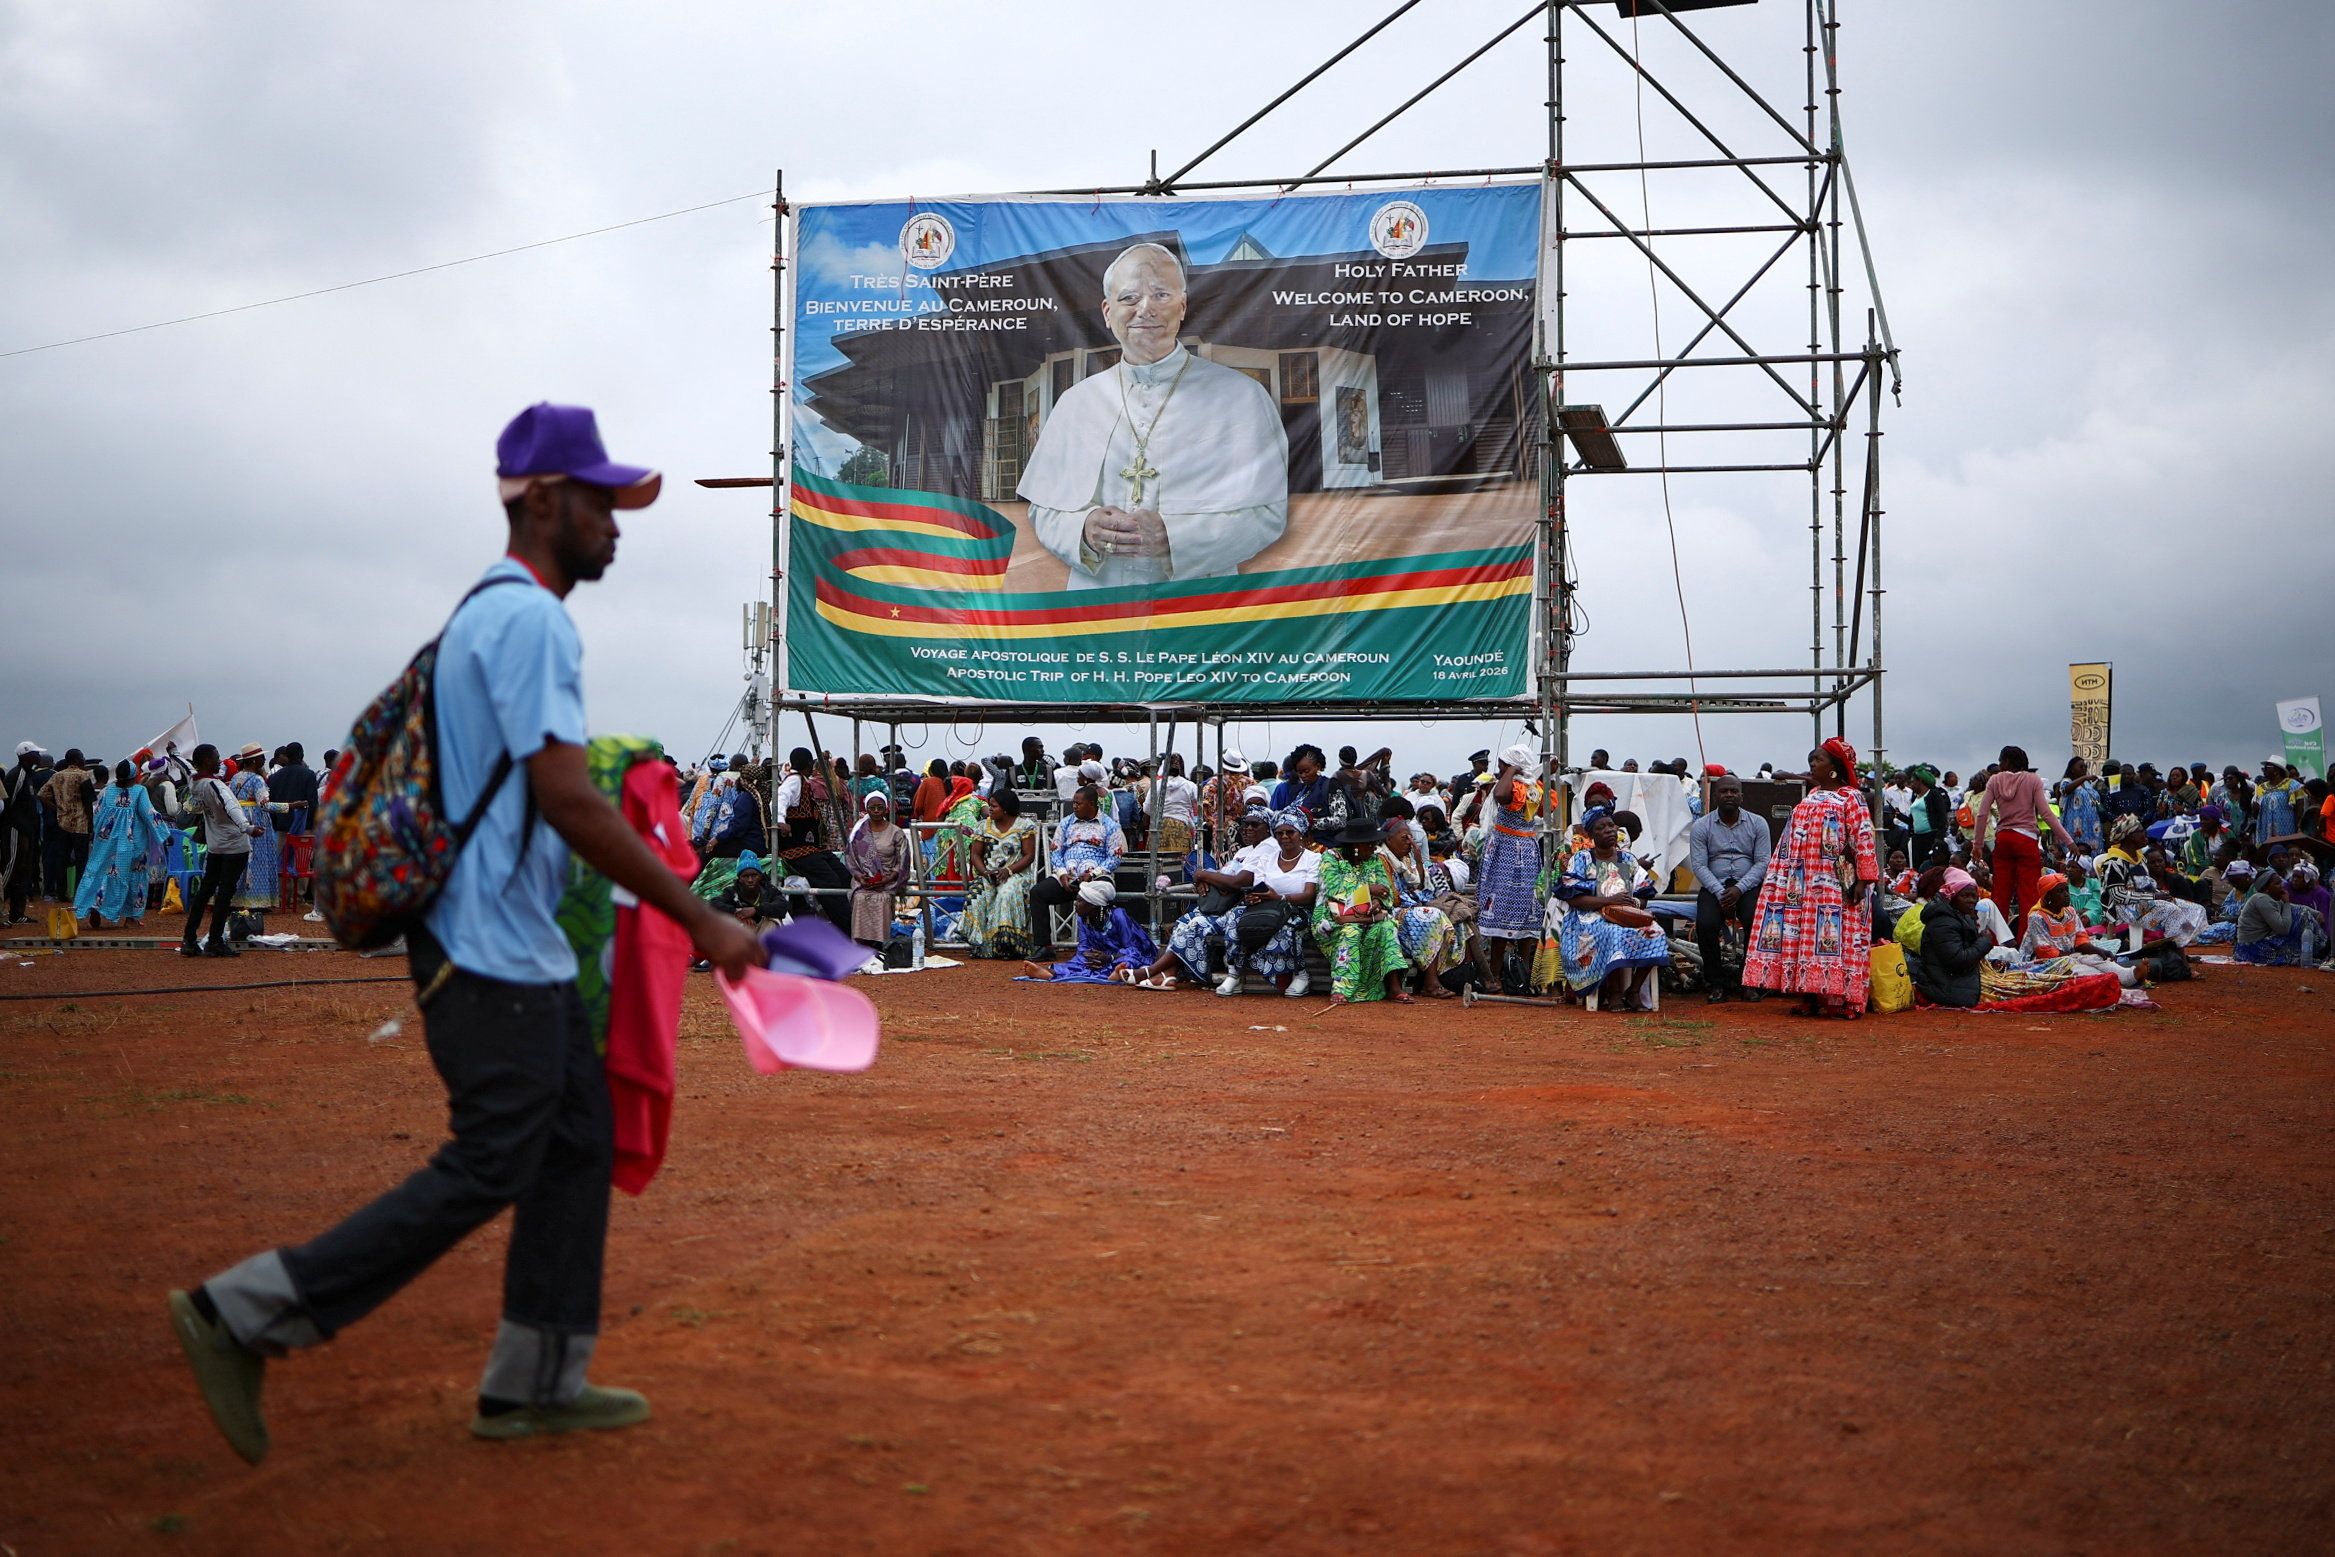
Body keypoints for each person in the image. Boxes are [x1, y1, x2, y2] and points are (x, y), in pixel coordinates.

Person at [170, 403, 763, 1464]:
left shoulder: (486, 613)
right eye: (601, 503)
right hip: (486, 948)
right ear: (542, 500)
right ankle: (246, 1312)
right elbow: (567, 798)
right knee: (497, 1156)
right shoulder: (531, 619)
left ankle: (533, 1381)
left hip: (502, 940)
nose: (617, 526)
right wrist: (701, 918)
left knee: (573, 1143)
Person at [1019, 242, 1289, 589]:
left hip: (1196, 601)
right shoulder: (1075, 403)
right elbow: (1044, 509)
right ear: (1107, 311)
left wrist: (1176, 537)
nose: (1145, 309)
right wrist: (1082, 530)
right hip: (1097, 603)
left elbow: (1267, 515)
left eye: (1161, 295)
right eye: (1129, 298)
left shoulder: (1242, 397)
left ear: (1182, 306)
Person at [1741, 738, 1878, 1018]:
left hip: (1835, 882)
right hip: (1802, 882)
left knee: (1840, 937)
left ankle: (1846, 1000)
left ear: (1834, 767)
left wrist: (1864, 880)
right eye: (1811, 760)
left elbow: (1863, 838)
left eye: (1818, 760)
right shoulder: (1811, 795)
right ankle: (1811, 995)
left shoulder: (1851, 797)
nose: (1812, 764)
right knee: (1805, 935)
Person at [1552, 806, 1673, 1011]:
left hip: (1624, 914)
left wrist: (1630, 905)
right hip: (1585, 919)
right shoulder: (1581, 859)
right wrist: (1609, 901)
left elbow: (1643, 895)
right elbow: (1575, 899)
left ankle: (1633, 990)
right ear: (1590, 835)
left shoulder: (1628, 860)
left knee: (1656, 932)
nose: (1609, 830)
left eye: (1611, 826)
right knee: (1612, 933)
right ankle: (1613, 992)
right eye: (1601, 827)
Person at [1970, 745, 2080, 939]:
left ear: (2007, 762)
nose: (1999, 764)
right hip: (2026, 840)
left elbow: (1982, 814)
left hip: (2003, 839)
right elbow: (2046, 813)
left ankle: (1995, 943)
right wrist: (2068, 841)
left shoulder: (1995, 780)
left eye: (2001, 760)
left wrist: (1977, 845)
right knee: (2028, 895)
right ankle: (2027, 942)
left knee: (2000, 895)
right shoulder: (2032, 780)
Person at [1687, 772, 1771, 1004]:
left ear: (1742, 796)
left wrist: (1740, 889)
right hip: (1714, 885)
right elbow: (1699, 865)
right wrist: (1720, 891)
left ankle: (1749, 982)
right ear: (1715, 796)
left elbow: (1763, 862)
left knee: (1756, 920)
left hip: (1748, 885)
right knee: (1706, 924)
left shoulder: (1758, 823)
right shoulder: (1701, 826)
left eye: (1734, 791)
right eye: (1724, 791)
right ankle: (1716, 983)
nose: (1729, 795)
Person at [1311, 818, 1412, 1005]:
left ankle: (1394, 987)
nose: (1375, 848)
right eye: (1371, 844)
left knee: (1387, 927)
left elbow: (1385, 890)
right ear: (1356, 845)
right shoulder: (1331, 858)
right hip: (1333, 918)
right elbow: (1334, 889)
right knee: (1351, 931)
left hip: (1368, 916)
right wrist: (1368, 889)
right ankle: (1341, 989)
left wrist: (1376, 900)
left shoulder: (1374, 860)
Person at [1473, 743, 1547, 992]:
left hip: (1518, 849)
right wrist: (1512, 771)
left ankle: (1521, 975)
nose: (1499, 768)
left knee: (1527, 908)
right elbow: (1500, 796)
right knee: (1500, 907)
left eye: (1502, 764)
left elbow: (1500, 795)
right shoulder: (1519, 785)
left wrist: (1513, 770)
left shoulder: (1526, 787)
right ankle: (1494, 974)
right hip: (1507, 849)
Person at [176, 743, 259, 957]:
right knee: (225, 894)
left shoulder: (195, 783)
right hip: (234, 845)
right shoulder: (216, 786)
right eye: (216, 757)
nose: (219, 761)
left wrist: (173, 753)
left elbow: (185, 766)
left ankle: (189, 938)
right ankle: (214, 940)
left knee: (205, 891)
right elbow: (230, 807)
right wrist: (247, 827)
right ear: (205, 761)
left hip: (215, 846)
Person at [1030, 785, 1126, 953]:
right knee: (1038, 892)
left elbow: (1115, 857)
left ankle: (1101, 946)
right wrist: (1061, 874)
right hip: (1068, 878)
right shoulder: (1066, 822)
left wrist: (1093, 874)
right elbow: (1056, 851)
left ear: (1091, 804)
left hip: (1095, 878)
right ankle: (1044, 946)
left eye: (1078, 803)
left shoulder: (1110, 826)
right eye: (1074, 803)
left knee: (1103, 893)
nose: (1074, 806)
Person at [72, 760, 167, 929]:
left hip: (106, 843)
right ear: (133, 776)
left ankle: (96, 906)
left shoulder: (107, 792)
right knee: (134, 878)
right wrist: (164, 835)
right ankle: (131, 918)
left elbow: (97, 815)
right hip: (133, 845)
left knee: (99, 872)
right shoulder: (139, 791)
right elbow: (149, 814)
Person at [1378, 811, 1463, 996]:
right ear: (1389, 840)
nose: (1410, 842)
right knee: (1430, 916)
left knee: (1460, 919)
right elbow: (1391, 897)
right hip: (1391, 910)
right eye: (1404, 838)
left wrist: (1417, 859)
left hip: (1408, 906)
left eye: (1410, 837)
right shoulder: (1381, 859)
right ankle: (1430, 983)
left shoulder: (1404, 859)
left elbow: (1417, 884)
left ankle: (1457, 978)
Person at [959, 788, 1044, 960]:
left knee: (1006, 894)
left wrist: (1008, 871)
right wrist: (985, 872)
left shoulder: (1024, 826)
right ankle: (984, 946)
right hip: (988, 875)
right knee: (976, 897)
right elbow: (976, 854)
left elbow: (1029, 855)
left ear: (1005, 808)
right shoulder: (984, 826)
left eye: (994, 806)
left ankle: (1008, 945)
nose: (990, 809)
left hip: (1016, 875)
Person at [1023, 879, 1156, 983]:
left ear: (1093, 905)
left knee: (1130, 961)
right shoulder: (1083, 919)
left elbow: (1135, 949)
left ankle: (1117, 972)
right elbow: (1084, 947)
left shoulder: (1118, 916)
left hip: (1131, 954)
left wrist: (1109, 958)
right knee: (1078, 963)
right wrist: (1090, 959)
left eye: (1080, 901)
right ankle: (1051, 973)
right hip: (1100, 959)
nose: (1075, 904)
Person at [1910, 868, 1988, 1008]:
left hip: (1954, 984)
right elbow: (1958, 960)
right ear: (1952, 896)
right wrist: (1984, 943)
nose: (1971, 901)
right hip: (1946, 990)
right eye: (1965, 896)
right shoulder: (1943, 923)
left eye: (1974, 896)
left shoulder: (1960, 915)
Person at [844, 792, 913, 946]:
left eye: (879, 807)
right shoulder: (859, 834)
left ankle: (882, 944)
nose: (876, 811)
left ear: (886, 809)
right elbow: (851, 859)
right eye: (872, 807)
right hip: (864, 881)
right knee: (861, 898)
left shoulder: (896, 832)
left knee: (882, 900)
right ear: (867, 809)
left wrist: (889, 878)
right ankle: (859, 945)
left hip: (888, 881)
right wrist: (860, 876)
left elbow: (903, 860)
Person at [226, 743, 284, 911]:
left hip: (238, 819)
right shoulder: (257, 779)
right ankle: (256, 901)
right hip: (255, 819)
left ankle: (235, 899)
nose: (264, 759)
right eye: (261, 757)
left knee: (241, 858)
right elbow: (265, 805)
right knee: (257, 859)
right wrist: (290, 806)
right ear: (253, 760)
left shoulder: (236, 777)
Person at [37, 749, 95, 900]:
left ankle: (62, 893)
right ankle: (79, 892)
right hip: (80, 824)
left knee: (61, 859)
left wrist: (56, 808)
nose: (84, 760)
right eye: (82, 757)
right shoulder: (84, 775)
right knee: (81, 860)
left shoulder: (57, 775)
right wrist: (91, 825)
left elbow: (42, 794)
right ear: (76, 760)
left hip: (62, 823)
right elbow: (89, 802)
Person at [2235, 872, 2324, 966]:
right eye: (2277, 884)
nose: (2282, 886)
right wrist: (2286, 903)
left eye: (2281, 882)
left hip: (2254, 946)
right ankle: (2323, 949)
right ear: (2266, 888)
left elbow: (2296, 907)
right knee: (2300, 915)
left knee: (2299, 912)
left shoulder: (2271, 898)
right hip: (2252, 949)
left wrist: (2316, 913)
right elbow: (2283, 929)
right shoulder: (2261, 899)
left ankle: (2319, 950)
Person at [4, 742, 43, 925]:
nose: (39, 757)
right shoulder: (17, 775)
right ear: (27, 756)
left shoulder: (28, 775)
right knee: (10, 868)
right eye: (36, 754)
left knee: (22, 872)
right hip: (15, 830)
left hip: (26, 830)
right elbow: (7, 804)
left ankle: (17, 913)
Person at [708, 852, 784, 927]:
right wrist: (738, 913)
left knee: (773, 920)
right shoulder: (733, 891)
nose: (750, 880)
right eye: (745, 876)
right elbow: (713, 904)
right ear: (740, 879)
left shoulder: (769, 890)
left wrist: (755, 910)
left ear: (760, 876)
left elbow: (782, 906)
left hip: (764, 933)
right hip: (741, 933)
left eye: (754, 875)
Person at [266, 742, 319, 832]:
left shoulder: (274, 777)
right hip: (303, 828)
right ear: (301, 754)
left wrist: (276, 826)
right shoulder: (309, 775)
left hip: (282, 828)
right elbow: (312, 803)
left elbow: (272, 803)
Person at [2254, 758, 2306, 844]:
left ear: (2277, 770)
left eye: (2267, 768)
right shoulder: (2261, 787)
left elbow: (2299, 808)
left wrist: (2298, 826)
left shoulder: (2292, 785)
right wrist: (2255, 808)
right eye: (2263, 768)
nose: (2263, 771)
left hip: (2286, 830)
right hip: (2266, 832)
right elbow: (2257, 813)